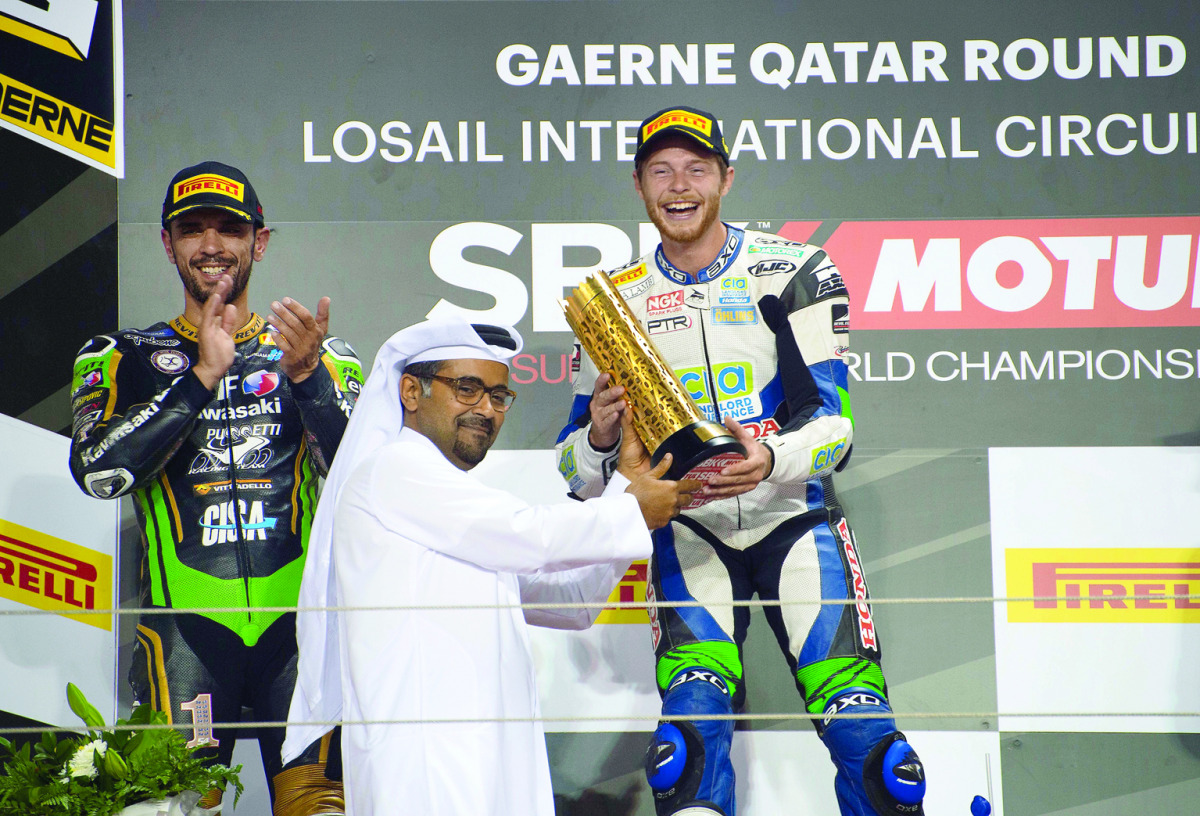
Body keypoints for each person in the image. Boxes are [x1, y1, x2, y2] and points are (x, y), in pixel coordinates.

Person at [555, 106, 928, 816]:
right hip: (686, 530)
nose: (679, 185)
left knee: (876, 752)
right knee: (684, 752)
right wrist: (601, 437)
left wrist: (770, 457)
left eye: (697, 168)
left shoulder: (794, 269)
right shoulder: (611, 305)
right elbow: (576, 475)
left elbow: (835, 428)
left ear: (726, 177)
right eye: (661, 170)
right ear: (638, 185)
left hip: (793, 516)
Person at [282, 316, 697, 816]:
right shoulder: (394, 469)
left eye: (498, 396)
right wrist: (631, 508)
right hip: (424, 769)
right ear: (411, 391)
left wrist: (625, 490)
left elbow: (572, 603)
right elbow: (531, 538)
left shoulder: (458, 503)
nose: (486, 409)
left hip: (490, 762)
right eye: (467, 389)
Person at [68, 161, 362, 815]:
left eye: (228, 228)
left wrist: (310, 380)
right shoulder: (120, 357)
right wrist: (199, 377)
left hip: (301, 641)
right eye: (192, 228)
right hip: (184, 644)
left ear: (258, 242)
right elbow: (97, 472)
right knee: (169, 808)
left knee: (322, 808)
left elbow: (363, 482)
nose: (210, 244)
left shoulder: (318, 354)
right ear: (167, 244)